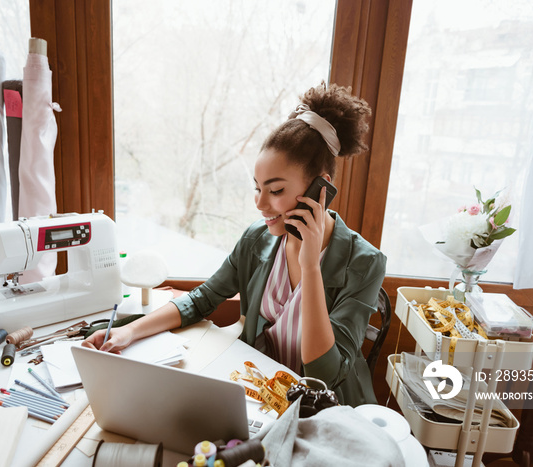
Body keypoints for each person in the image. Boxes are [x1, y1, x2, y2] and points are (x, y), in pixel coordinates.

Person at [83, 82, 387, 406]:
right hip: (263, 395)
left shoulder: (365, 263)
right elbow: (202, 300)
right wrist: (127, 333)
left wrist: (311, 267)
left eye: (276, 190)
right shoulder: (257, 239)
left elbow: (324, 374)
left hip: (326, 410)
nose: (260, 203)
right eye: (257, 188)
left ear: (320, 186)